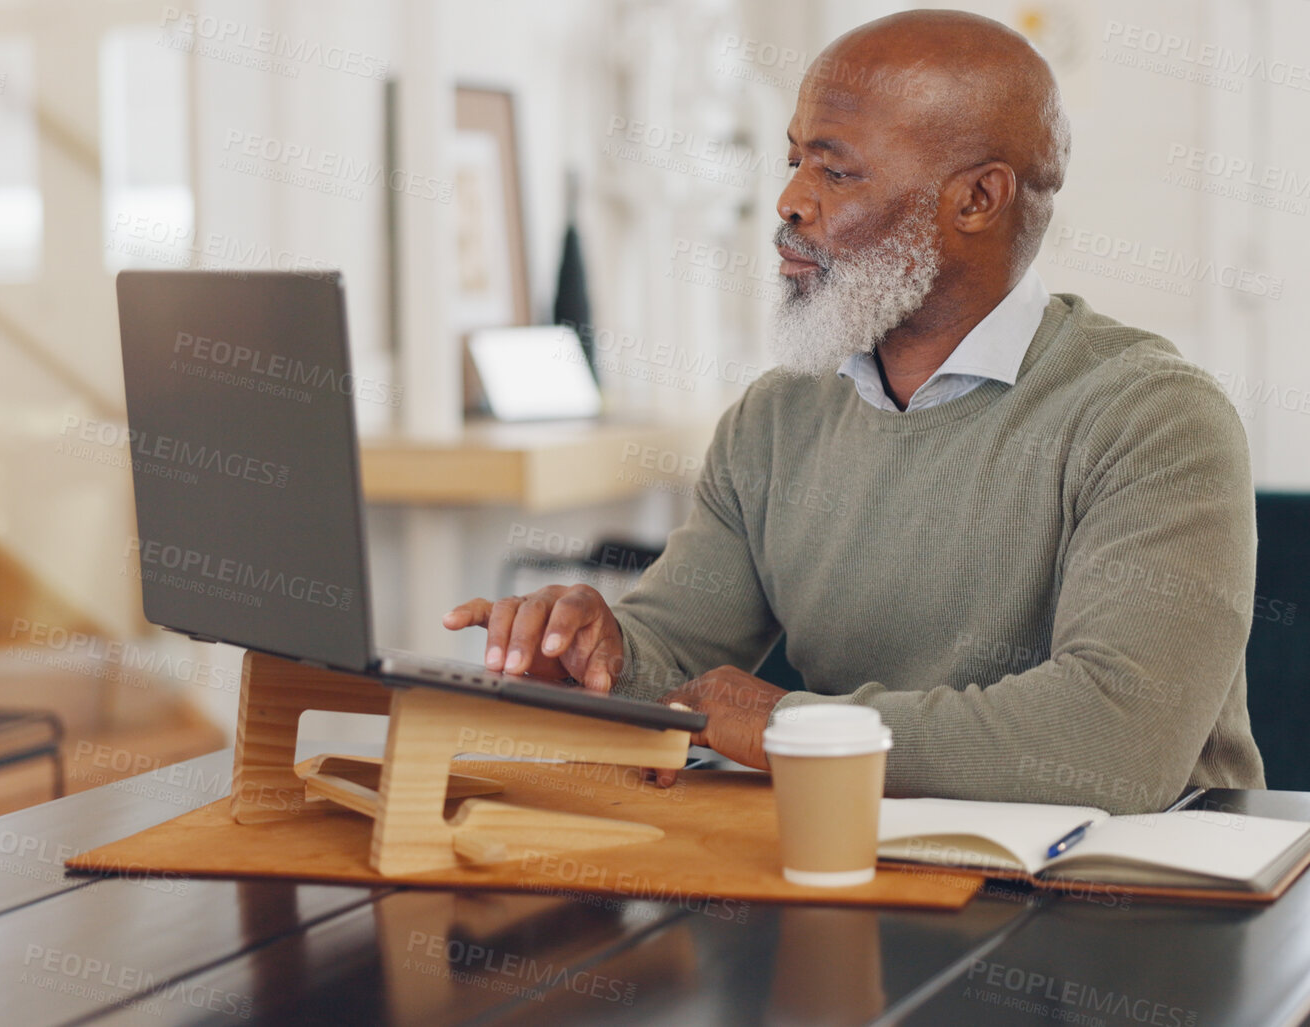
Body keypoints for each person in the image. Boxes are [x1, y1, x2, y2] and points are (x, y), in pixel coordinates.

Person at [445, 9, 1265, 814]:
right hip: (864, 865)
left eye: (834, 172)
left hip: (1135, 901)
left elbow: (1113, 742)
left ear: (977, 199)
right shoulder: (774, 419)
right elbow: (677, 653)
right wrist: (595, 656)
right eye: (794, 161)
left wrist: (791, 727)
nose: (790, 202)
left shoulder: (1156, 417)